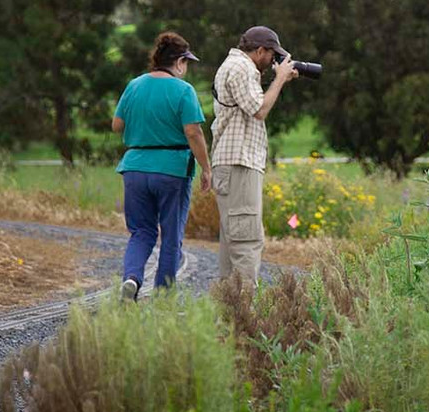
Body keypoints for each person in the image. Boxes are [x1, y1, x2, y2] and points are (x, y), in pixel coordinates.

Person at [112, 32, 211, 300]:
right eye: (186, 63)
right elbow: (193, 132)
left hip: (134, 167)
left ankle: (132, 279)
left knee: (141, 231)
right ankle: (164, 297)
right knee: (171, 235)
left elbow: (117, 125)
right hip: (172, 170)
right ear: (179, 62)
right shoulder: (183, 90)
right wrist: (206, 168)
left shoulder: (134, 85)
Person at [210, 26, 298, 282]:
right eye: (272, 55)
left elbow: (250, 104)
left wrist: (277, 79)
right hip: (239, 163)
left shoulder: (238, 67)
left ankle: (230, 313)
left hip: (233, 163)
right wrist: (280, 79)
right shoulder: (242, 68)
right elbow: (258, 109)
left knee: (233, 241)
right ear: (260, 50)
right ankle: (245, 315)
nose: (274, 61)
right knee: (247, 240)